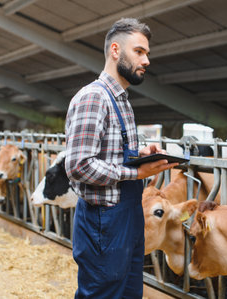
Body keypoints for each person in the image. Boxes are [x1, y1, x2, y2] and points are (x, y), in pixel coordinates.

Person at [65, 18, 178, 298]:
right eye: (139, 51)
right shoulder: (94, 98)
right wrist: (136, 174)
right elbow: (79, 166)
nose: (147, 60)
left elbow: (108, 152)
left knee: (128, 294)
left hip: (127, 216)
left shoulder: (121, 100)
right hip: (103, 221)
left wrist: (139, 155)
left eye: (147, 53)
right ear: (115, 51)